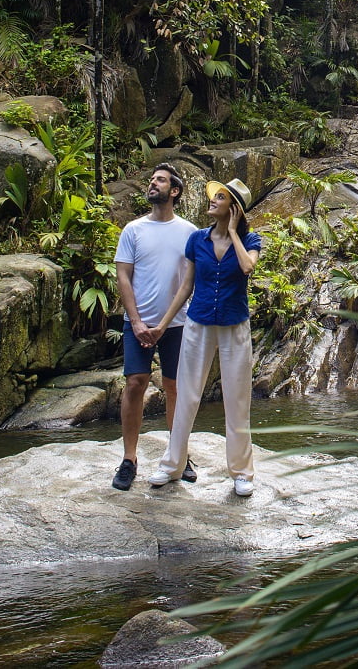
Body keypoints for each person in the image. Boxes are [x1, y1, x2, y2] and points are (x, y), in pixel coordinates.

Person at [147, 177, 263, 496]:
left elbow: (247, 267)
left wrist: (235, 232)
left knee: (237, 398)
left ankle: (242, 472)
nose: (212, 201)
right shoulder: (197, 239)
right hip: (197, 323)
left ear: (234, 208)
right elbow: (186, 286)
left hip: (234, 325)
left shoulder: (251, 240)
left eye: (221, 198)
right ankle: (172, 465)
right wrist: (163, 323)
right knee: (187, 393)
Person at [110, 163, 198, 491]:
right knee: (135, 383)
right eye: (151, 180)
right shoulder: (133, 230)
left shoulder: (189, 232)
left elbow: (188, 282)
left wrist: (162, 324)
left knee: (175, 387)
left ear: (174, 191)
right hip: (137, 322)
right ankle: (129, 458)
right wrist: (135, 321)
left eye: (159, 180)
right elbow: (123, 276)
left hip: (176, 324)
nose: (152, 184)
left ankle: (179, 456)